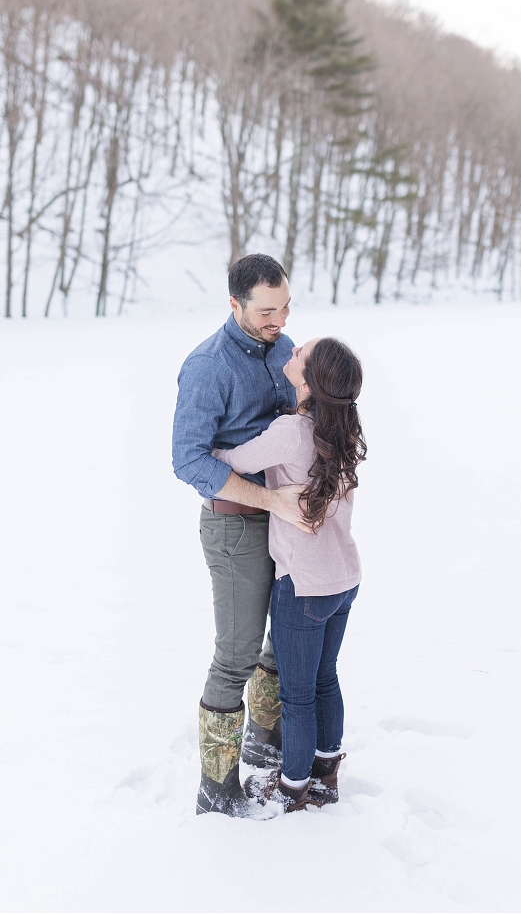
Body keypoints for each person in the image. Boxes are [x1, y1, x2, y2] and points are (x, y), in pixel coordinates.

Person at [172, 254, 308, 817]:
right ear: (235, 304)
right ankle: (217, 784)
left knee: (283, 641)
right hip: (234, 525)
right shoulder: (207, 366)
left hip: (289, 521)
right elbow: (187, 460)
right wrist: (267, 496)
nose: (278, 320)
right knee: (237, 654)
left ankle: (262, 739)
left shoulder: (284, 348)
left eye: (285, 307)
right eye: (266, 310)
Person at [212, 335, 365, 815]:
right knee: (325, 680)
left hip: (302, 584)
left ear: (309, 379)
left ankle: (292, 789)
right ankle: (326, 771)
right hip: (344, 578)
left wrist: (210, 451)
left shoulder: (291, 431)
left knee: (297, 695)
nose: (292, 352)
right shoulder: (341, 427)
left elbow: (231, 463)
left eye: (301, 355)